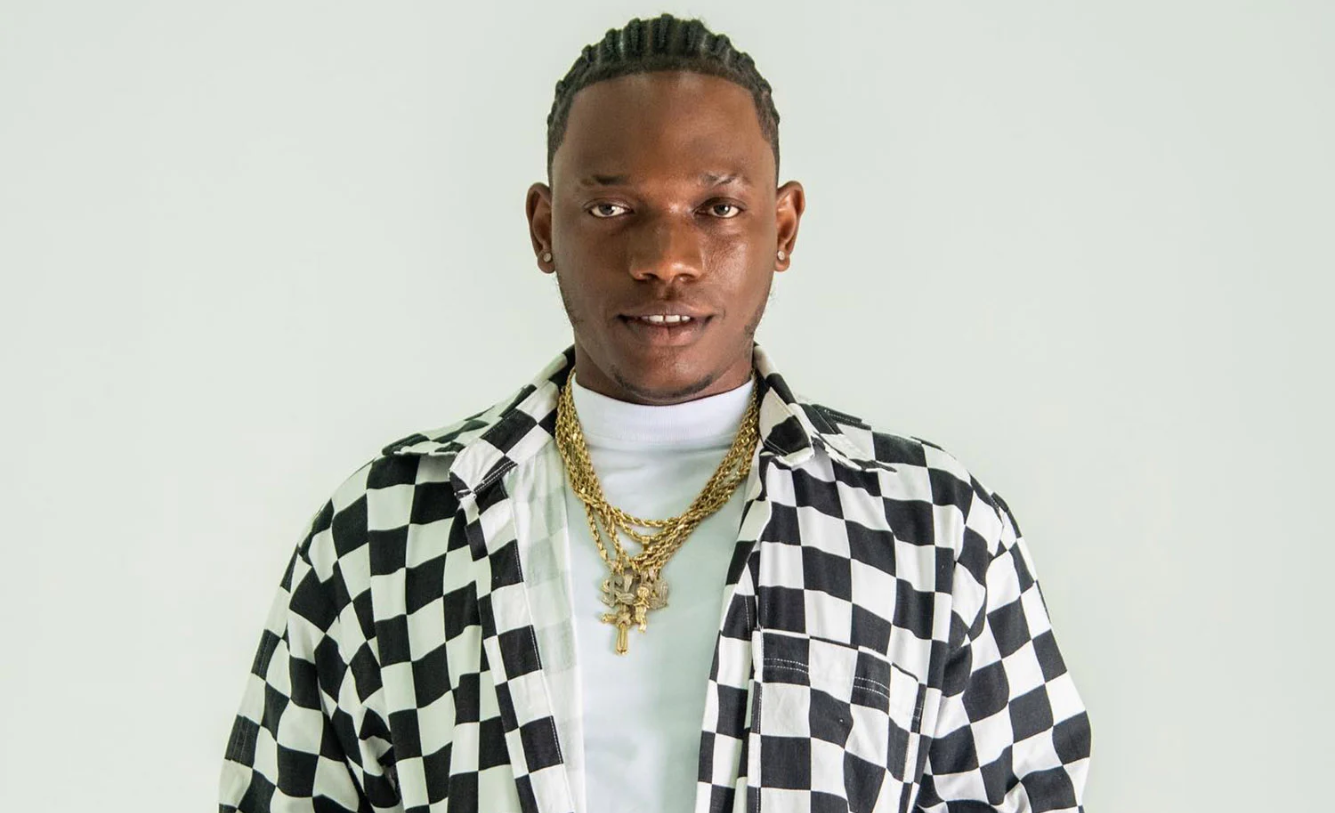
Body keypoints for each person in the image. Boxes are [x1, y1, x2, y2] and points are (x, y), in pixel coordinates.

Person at [219, 12, 1091, 813]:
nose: (666, 258)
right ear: (543, 227)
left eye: (717, 208)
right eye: (610, 207)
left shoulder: (933, 529)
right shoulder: (385, 528)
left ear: (783, 228)